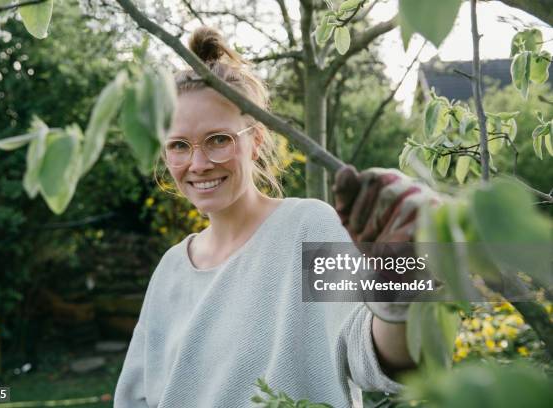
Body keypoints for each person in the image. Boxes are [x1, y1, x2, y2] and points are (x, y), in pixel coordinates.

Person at [114, 27, 436, 408]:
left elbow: (377, 358)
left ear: (257, 141)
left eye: (219, 139)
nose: (198, 164)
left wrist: (402, 285)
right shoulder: (169, 270)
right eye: (179, 146)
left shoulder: (308, 228)